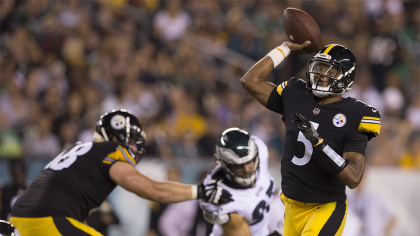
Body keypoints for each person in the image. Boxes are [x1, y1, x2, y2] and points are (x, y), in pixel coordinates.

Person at [9, 109, 233, 236]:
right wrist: (201, 191)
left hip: (21, 220)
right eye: (132, 142)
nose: (135, 149)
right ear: (116, 137)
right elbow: (153, 190)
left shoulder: (81, 150)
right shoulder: (112, 150)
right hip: (47, 220)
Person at [240, 41, 381, 236]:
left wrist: (320, 144)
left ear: (346, 78)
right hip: (289, 207)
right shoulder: (296, 93)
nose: (321, 75)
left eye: (330, 71)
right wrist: (285, 49)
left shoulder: (357, 114)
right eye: (320, 67)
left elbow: (354, 177)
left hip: (324, 208)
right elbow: (250, 81)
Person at [199, 127, 281, 236]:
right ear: (226, 166)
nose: (247, 169)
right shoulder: (224, 199)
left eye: (249, 161)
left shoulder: (260, 149)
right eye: (239, 165)